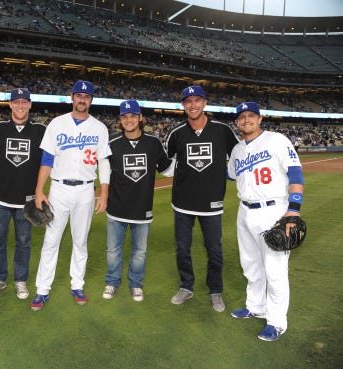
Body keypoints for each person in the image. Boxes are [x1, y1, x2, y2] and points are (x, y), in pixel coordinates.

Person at [30, 80, 112, 311]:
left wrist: (103, 194)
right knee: (51, 240)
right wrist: (39, 190)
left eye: (86, 96)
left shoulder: (99, 128)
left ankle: (78, 284)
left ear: (91, 100)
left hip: (86, 190)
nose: (82, 99)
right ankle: (42, 289)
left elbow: (104, 163)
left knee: (80, 240)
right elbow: (47, 159)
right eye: (79, 95)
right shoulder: (57, 124)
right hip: (59, 190)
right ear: (72, 98)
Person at [227, 102, 304, 342]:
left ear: (260, 119)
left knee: (275, 270)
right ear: (237, 122)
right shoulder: (237, 150)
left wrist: (293, 211)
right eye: (241, 117)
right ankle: (255, 306)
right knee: (250, 264)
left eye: (251, 116)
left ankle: (277, 322)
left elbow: (295, 173)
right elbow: (230, 174)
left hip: (274, 211)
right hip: (245, 211)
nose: (246, 120)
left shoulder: (277, 140)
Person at [165, 85, 239, 312]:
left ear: (205, 103)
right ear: (183, 106)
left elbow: (239, 158)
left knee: (214, 250)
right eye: (188, 101)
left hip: (212, 203)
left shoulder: (222, 130)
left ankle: (215, 290)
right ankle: (186, 286)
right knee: (182, 249)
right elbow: (166, 167)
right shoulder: (176, 134)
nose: (193, 105)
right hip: (183, 203)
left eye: (197, 100)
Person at [102, 99, 172, 302]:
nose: (129, 120)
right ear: (120, 120)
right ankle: (112, 281)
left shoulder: (153, 142)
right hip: (116, 208)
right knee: (113, 250)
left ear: (140, 118)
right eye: (125, 117)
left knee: (140, 252)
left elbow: (167, 169)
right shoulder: (112, 144)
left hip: (142, 208)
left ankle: (135, 284)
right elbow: (103, 172)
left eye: (133, 116)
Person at [0, 88, 46, 300]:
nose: (20, 106)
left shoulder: (40, 130)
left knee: (24, 243)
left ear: (30, 105)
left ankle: (20, 281)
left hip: (26, 201)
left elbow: (49, 160)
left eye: (24, 102)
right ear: (10, 105)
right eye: (16, 102)